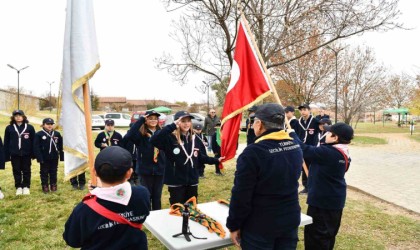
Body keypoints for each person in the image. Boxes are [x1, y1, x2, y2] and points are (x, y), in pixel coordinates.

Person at [227, 103, 303, 249]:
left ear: (259, 124)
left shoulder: (253, 152)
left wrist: (234, 225)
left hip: (261, 224)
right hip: (290, 217)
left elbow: (241, 194)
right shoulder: (295, 145)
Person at [63, 146, 150, 249]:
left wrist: (99, 192)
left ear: (94, 171)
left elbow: (73, 241)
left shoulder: (83, 210)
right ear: (129, 173)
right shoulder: (142, 194)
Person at [289, 122, 353, 250]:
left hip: (323, 203)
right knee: (328, 235)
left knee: (316, 236)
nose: (326, 134)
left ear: (335, 138)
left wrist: (292, 134)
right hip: (335, 201)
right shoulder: (343, 152)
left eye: (329, 132)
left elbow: (303, 149)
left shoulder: (328, 152)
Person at [150, 110, 222, 205]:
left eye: (188, 121)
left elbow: (200, 157)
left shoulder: (195, 138)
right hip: (176, 182)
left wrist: (216, 160)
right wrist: (172, 126)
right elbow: (153, 140)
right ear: (177, 122)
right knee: (178, 211)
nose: (186, 124)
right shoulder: (170, 138)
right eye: (183, 121)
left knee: (192, 211)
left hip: (192, 181)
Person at [123, 110, 165, 211]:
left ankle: (157, 215)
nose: (153, 120)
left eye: (155, 118)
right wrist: (141, 120)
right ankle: (147, 215)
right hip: (145, 170)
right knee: (147, 195)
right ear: (146, 120)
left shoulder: (162, 133)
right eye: (150, 118)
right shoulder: (140, 135)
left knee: (157, 196)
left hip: (160, 169)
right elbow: (129, 135)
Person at [4, 110, 36, 196]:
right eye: (16, 115)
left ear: (23, 116)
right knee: (16, 170)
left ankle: (26, 186)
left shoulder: (29, 127)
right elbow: (6, 142)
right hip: (14, 154)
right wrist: (6, 155)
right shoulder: (9, 128)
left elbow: (34, 141)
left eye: (20, 115)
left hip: (26, 153)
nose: (18, 117)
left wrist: (33, 154)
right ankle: (18, 187)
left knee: (26, 170)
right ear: (13, 117)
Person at [33, 118, 64, 193]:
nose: (49, 126)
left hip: (54, 156)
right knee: (44, 172)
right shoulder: (39, 134)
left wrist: (61, 156)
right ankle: (45, 185)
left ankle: (53, 184)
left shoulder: (57, 134)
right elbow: (36, 147)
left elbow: (61, 145)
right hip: (44, 157)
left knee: (53, 171)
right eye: (47, 124)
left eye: (51, 124)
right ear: (43, 125)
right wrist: (39, 158)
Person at [296, 103, 320, 194]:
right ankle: (306, 187)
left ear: (309, 110)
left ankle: (314, 186)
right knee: (303, 166)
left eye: (305, 110)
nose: (303, 112)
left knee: (312, 167)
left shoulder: (315, 121)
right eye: (301, 110)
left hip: (312, 148)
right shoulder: (299, 122)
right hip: (302, 148)